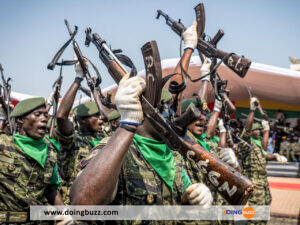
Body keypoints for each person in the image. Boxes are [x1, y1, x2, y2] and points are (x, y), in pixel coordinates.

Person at [70, 22, 214, 225]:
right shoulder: (115, 152)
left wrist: (191, 201)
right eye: (162, 107)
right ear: (144, 111)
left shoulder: (173, 154)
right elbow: (82, 206)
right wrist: (128, 122)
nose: (170, 113)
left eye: (169, 107)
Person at [0, 97, 63, 224]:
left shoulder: (50, 152)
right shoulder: (3, 145)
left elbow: (52, 190)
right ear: (21, 120)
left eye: (46, 115)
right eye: (38, 114)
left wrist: (65, 214)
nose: (45, 119)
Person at [55, 58, 106, 204]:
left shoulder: (106, 138)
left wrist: (95, 91)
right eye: (95, 116)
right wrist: (79, 77)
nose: (101, 119)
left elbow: (108, 116)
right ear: (81, 120)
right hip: (77, 204)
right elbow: (60, 116)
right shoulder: (73, 141)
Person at [239, 97, 287, 225]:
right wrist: (252, 110)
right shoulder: (246, 143)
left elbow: (265, 153)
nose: (258, 131)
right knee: (255, 212)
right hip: (254, 183)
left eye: (259, 129)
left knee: (265, 206)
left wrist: (276, 156)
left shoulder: (258, 144)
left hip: (263, 181)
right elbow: (247, 129)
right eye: (256, 129)